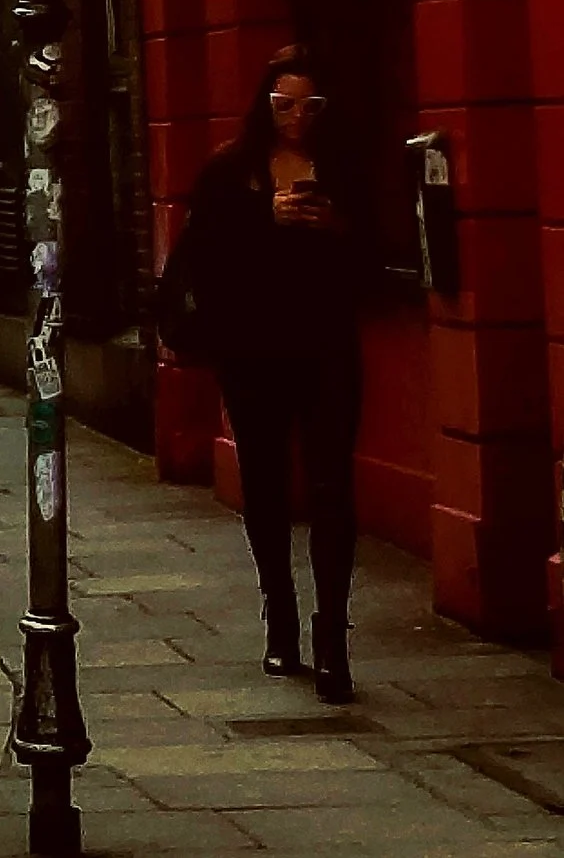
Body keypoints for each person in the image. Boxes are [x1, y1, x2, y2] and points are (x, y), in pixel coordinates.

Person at [157, 47, 371, 704]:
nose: (297, 117)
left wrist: (335, 224)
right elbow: (200, 255)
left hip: (327, 347)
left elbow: (378, 256)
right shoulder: (232, 169)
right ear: (265, 104)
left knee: (333, 489)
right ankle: (281, 621)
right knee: (267, 487)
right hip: (252, 351)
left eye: (311, 105)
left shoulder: (346, 166)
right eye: (284, 104)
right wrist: (264, 218)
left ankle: (332, 638)